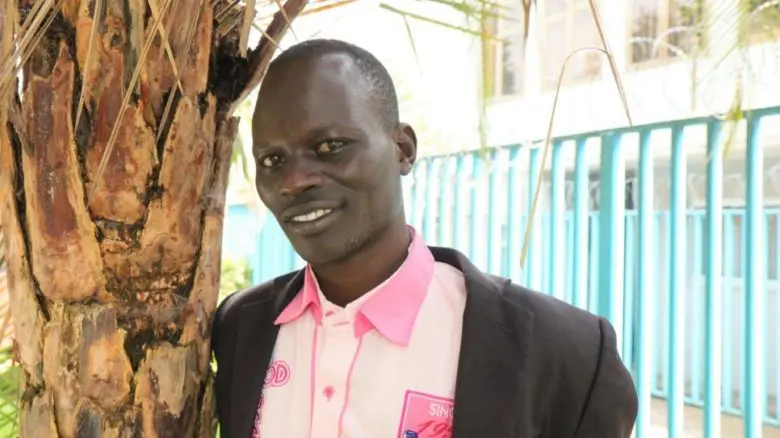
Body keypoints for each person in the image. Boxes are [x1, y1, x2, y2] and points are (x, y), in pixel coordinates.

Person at [211, 38, 638, 438]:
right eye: (272, 160)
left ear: (403, 149)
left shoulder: (566, 353)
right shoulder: (239, 329)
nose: (294, 181)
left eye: (330, 146)